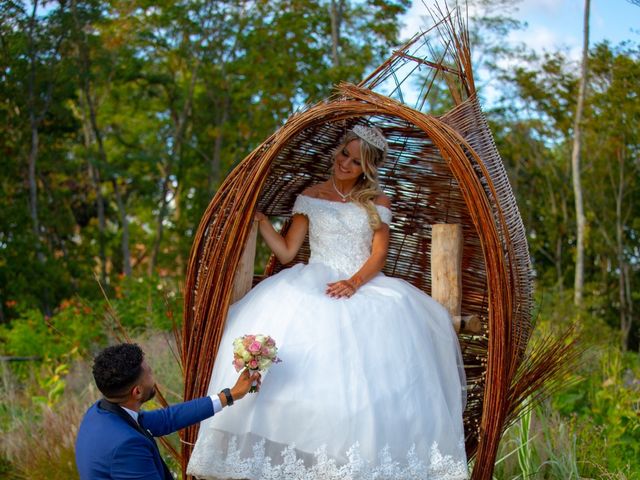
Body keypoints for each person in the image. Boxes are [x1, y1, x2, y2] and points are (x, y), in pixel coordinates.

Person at [187, 125, 468, 479]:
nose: (345, 163)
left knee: (367, 376)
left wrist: (353, 282)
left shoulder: (377, 203)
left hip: (361, 282)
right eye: (343, 154)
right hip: (314, 278)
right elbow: (288, 252)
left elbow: (379, 255)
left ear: (368, 168)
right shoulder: (311, 196)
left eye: (355, 161)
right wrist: (262, 224)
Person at [75, 343, 260, 480]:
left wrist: (230, 395)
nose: (153, 376)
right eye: (149, 373)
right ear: (137, 391)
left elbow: (167, 419)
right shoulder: (127, 447)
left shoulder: (98, 413)